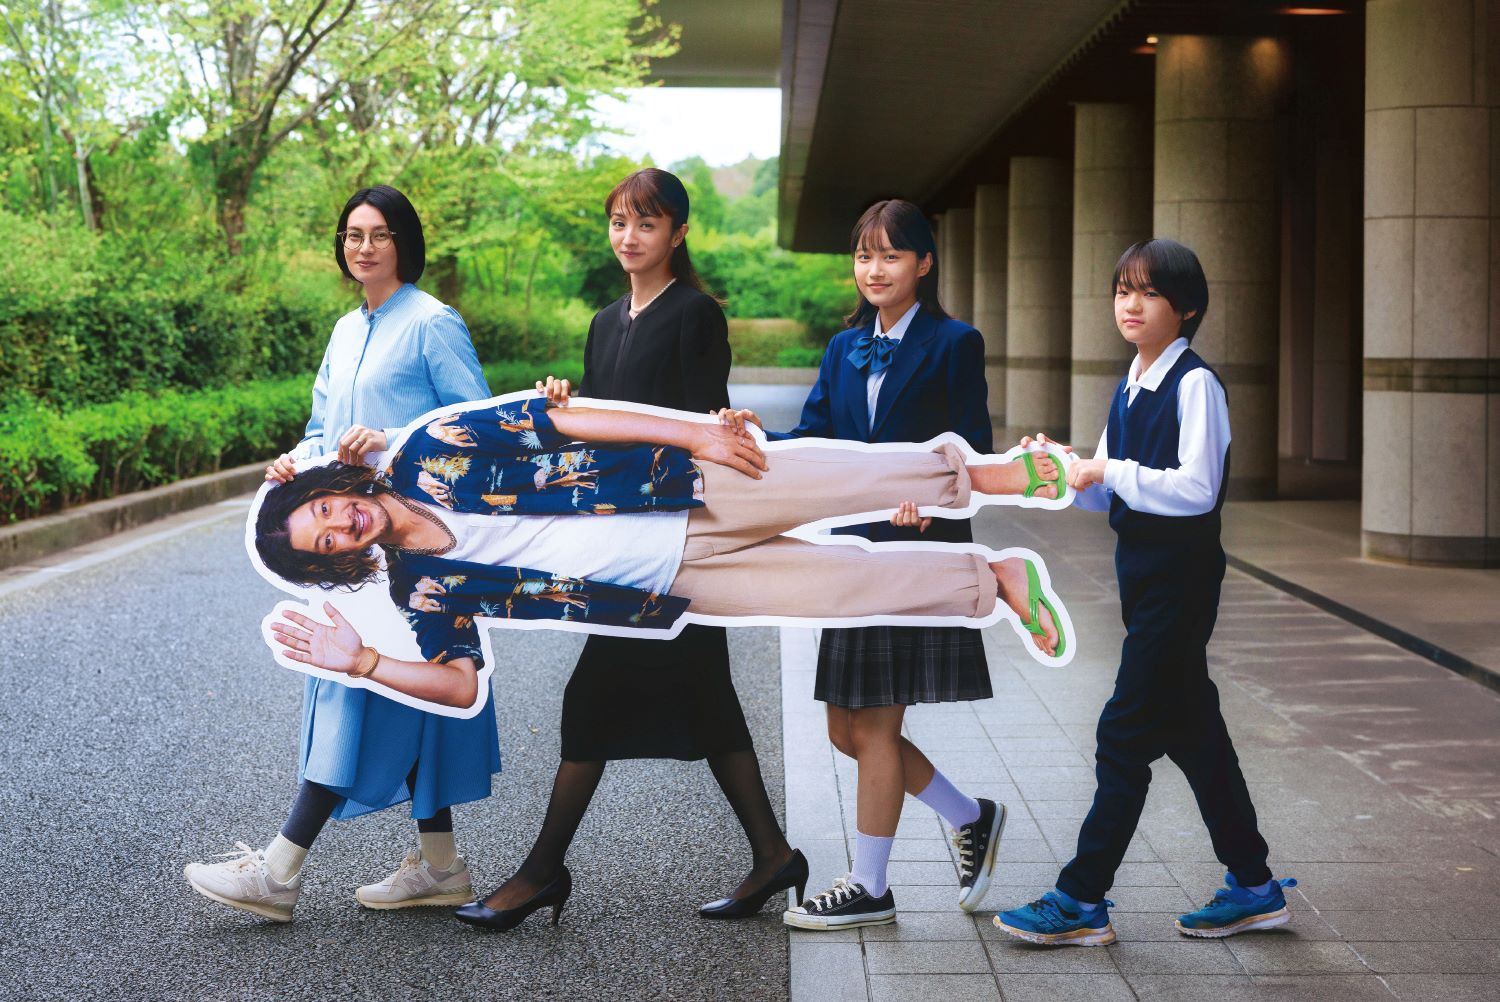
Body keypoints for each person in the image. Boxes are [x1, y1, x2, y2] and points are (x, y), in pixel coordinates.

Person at [457, 167, 803, 932]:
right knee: (711, 705)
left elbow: (702, 433)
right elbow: (596, 435)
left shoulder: (695, 315)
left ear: (678, 233)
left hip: (669, 543)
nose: (630, 236)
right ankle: (774, 854)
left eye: (646, 223)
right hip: (623, 541)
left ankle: (541, 872)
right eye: (619, 221)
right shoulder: (604, 322)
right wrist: (562, 408)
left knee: (591, 700)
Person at [718, 199, 1061, 931]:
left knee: (874, 726)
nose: (874, 269)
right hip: (854, 553)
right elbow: (818, 434)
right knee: (844, 731)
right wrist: (758, 437)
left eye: (891, 255)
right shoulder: (844, 348)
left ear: (924, 263)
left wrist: (933, 505)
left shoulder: (954, 343)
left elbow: (969, 446)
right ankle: (970, 816)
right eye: (863, 255)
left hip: (914, 554)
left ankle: (870, 885)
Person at [183, 185, 496, 923]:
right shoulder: (345, 329)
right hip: (352, 551)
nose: (364, 247)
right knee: (394, 701)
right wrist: (296, 462)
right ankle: (441, 866)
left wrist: (392, 441)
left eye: (380, 234)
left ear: (404, 242)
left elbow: (477, 429)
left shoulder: (432, 323)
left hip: (410, 546)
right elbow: (322, 427)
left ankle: (280, 870)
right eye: (354, 234)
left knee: (356, 690)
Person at [993, 239, 1295, 947]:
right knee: (1196, 736)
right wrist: (1064, 468)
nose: (1130, 304)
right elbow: (1105, 492)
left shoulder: (1195, 384)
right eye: (1122, 290)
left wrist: (1108, 470)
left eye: (1149, 293)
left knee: (1122, 737)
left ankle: (1081, 899)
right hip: (1146, 584)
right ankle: (1255, 888)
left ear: (1185, 308)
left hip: (1180, 587)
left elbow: (1197, 489)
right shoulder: (1130, 382)